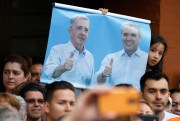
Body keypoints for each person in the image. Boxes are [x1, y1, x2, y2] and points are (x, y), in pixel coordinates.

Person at [43, 14, 94, 90]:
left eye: (86, 30)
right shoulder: (57, 50)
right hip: (61, 98)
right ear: (70, 30)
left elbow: (91, 85)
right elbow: (49, 73)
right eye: (79, 28)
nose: (83, 33)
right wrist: (63, 68)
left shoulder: (90, 56)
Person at [96, 21, 148, 89]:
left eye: (133, 35)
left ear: (140, 37)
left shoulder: (147, 59)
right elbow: (99, 82)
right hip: (115, 99)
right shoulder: (110, 58)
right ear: (121, 36)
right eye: (125, 34)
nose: (128, 38)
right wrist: (104, 74)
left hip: (137, 99)